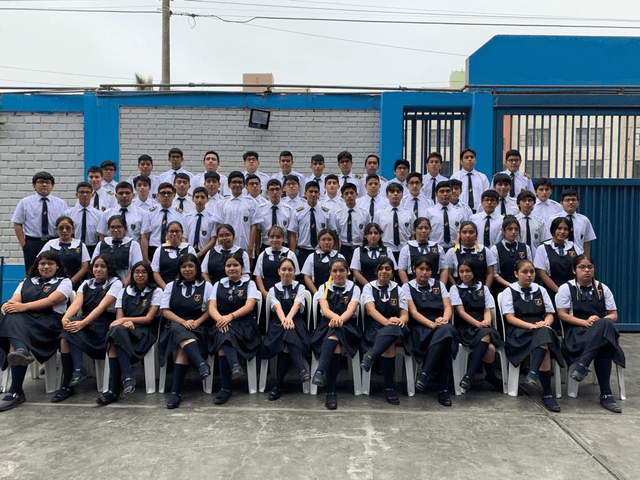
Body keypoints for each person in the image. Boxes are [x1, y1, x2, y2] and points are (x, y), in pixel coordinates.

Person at [0, 251, 73, 411]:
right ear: (37, 266)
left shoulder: (65, 282)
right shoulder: (27, 280)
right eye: (42, 263)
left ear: (57, 266)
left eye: (50, 263)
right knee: (8, 314)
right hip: (26, 322)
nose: (46, 266)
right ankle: (20, 351)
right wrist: (9, 305)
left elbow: (52, 300)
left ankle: (16, 391)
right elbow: (16, 299)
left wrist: (22, 307)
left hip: (49, 325)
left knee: (14, 328)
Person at [556, 255, 625, 413]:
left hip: (598, 331)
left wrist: (598, 322)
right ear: (574, 270)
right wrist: (585, 322)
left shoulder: (602, 288)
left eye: (590, 267)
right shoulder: (566, 288)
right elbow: (562, 314)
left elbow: (613, 315)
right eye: (582, 267)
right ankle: (606, 395)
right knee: (606, 338)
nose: (587, 270)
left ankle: (582, 366)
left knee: (606, 326)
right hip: (576, 334)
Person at [52, 254, 122, 402]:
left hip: (104, 324)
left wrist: (82, 324)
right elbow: (77, 304)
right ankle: (71, 378)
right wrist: (65, 318)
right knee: (66, 333)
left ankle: (76, 374)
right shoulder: (86, 284)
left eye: (103, 266)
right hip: (86, 322)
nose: (99, 269)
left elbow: (102, 307)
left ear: (109, 269)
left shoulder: (116, 283)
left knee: (73, 328)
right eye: (96, 266)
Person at [501, 259, 564, 412]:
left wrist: (545, 323)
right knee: (544, 341)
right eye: (524, 272)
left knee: (544, 337)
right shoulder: (509, 291)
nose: (529, 275)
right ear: (516, 274)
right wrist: (532, 326)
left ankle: (534, 374)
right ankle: (548, 393)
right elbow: (510, 318)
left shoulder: (540, 290)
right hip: (519, 331)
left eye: (532, 272)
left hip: (540, 328)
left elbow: (550, 314)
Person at [97, 261, 162, 405]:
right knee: (116, 333)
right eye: (136, 272)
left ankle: (116, 388)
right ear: (132, 275)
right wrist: (125, 323)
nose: (140, 274)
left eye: (144, 272)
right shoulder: (124, 291)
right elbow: (119, 317)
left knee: (115, 336)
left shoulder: (156, 291)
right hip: (125, 330)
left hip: (145, 332)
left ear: (149, 275)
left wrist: (126, 320)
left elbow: (149, 318)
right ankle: (125, 379)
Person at [158, 254, 213, 409]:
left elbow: (210, 310)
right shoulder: (170, 286)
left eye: (191, 266)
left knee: (183, 348)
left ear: (197, 269)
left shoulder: (206, 286)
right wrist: (183, 321)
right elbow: (165, 311)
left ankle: (175, 392)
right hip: (176, 325)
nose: (187, 269)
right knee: (177, 330)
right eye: (184, 267)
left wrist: (197, 322)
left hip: (199, 327)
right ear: (179, 269)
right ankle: (201, 364)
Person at [208, 253, 261, 405]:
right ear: (224, 268)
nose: (232, 268)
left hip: (244, 325)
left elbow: (249, 306)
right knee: (223, 334)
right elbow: (212, 307)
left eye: (235, 265)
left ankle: (225, 387)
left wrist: (229, 317)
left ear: (242, 267)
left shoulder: (249, 283)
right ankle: (235, 366)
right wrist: (220, 319)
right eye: (228, 265)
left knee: (223, 338)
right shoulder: (218, 284)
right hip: (222, 322)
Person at [403, 257, 457, 406]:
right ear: (414, 269)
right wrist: (431, 324)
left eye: (428, 269)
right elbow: (413, 312)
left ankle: (425, 374)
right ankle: (443, 390)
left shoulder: (439, 285)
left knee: (446, 332)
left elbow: (447, 307)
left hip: (440, 323)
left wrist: (444, 320)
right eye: (421, 269)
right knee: (446, 338)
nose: (424, 272)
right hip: (420, 326)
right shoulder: (407, 287)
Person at [311, 258, 362, 410]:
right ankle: (330, 391)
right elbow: (325, 309)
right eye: (334, 271)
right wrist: (335, 319)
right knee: (335, 342)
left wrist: (339, 320)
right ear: (330, 273)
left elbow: (351, 309)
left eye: (342, 270)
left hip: (348, 326)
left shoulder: (354, 288)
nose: (338, 274)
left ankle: (322, 376)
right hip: (326, 325)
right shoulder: (324, 287)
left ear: (347, 272)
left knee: (335, 335)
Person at [360, 258, 409, 405]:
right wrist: (388, 323)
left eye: (388, 269)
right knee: (390, 340)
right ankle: (389, 387)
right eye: (381, 268)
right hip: (374, 328)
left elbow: (404, 314)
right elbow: (370, 310)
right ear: (376, 272)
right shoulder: (368, 287)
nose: (384, 271)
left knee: (393, 332)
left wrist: (401, 321)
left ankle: (370, 358)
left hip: (395, 329)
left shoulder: (399, 289)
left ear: (392, 273)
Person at [260, 257, 311, 400]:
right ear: (279, 272)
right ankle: (301, 370)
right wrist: (285, 320)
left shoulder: (300, 287)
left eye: (290, 270)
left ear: (294, 273)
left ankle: (277, 385)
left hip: (297, 322)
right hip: (278, 323)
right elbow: (277, 307)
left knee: (287, 342)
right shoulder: (273, 289)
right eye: (284, 269)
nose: (287, 272)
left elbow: (296, 304)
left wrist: (289, 318)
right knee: (287, 334)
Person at [449, 260, 502, 391]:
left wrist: (487, 321)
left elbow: (487, 309)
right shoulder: (455, 288)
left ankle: (469, 376)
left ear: (474, 272)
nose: (465, 274)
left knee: (489, 344)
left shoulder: (483, 288)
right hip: (466, 326)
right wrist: (479, 324)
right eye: (461, 272)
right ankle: (483, 375)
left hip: (483, 325)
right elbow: (460, 312)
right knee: (487, 342)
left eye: (468, 271)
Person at [12, 171, 68, 273]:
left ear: (52, 186)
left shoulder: (61, 203)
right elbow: (17, 224)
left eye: (48, 182)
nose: (44, 184)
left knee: (55, 271)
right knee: (32, 272)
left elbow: (66, 224)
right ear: (34, 186)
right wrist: (24, 245)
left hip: (54, 242)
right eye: (40, 182)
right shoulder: (25, 202)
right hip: (33, 243)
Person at [211, 171, 260, 259]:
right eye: (234, 182)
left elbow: (254, 227)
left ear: (244, 185)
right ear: (229, 185)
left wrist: (250, 249)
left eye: (240, 182)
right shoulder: (221, 203)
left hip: (244, 247)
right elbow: (219, 226)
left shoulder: (251, 203)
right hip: (225, 248)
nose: (237, 185)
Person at [288, 181, 336, 268]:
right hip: (303, 251)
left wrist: (334, 253)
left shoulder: (327, 213)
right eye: (310, 191)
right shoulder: (297, 212)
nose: (313, 194)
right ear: (305, 194)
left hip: (321, 251)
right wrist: (292, 254)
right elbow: (292, 233)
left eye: (316, 192)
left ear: (319, 194)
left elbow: (333, 233)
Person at [534, 217, 583, 301]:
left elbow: (581, 269)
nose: (562, 232)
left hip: (572, 291)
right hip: (550, 291)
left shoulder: (575, 247)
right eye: (559, 228)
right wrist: (559, 292)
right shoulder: (543, 248)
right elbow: (542, 274)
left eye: (566, 229)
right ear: (553, 229)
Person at [40, 216, 90, 288]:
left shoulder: (80, 245)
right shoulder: (50, 244)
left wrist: (70, 282)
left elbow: (84, 267)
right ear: (57, 230)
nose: (64, 230)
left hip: (75, 284)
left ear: (73, 230)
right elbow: (40, 263)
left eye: (68, 228)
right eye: (61, 228)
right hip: (52, 284)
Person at [141, 182, 186, 263]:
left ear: (174, 195)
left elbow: (183, 237)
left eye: (169, 193)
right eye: (163, 193)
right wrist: (145, 258)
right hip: (153, 250)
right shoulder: (150, 213)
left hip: (173, 249)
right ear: (158, 196)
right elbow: (145, 236)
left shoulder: (180, 215)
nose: (166, 196)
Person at [92, 215, 143, 285]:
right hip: (103, 284)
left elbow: (135, 268)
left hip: (125, 283)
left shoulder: (133, 245)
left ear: (125, 228)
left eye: (119, 227)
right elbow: (94, 265)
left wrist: (122, 286)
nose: (115, 230)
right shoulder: (101, 244)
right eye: (112, 227)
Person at [542, 189, 596, 256]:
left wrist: (586, 258)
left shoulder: (584, 220)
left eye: (573, 200)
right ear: (561, 203)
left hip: (578, 256)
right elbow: (548, 239)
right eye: (567, 200)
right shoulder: (553, 219)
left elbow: (587, 242)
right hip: (559, 256)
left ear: (578, 202)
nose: (571, 202)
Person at [444, 221, 497, 287]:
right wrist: (457, 290)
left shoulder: (484, 250)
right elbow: (449, 274)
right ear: (459, 234)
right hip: (459, 287)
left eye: (471, 232)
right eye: (464, 232)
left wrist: (485, 290)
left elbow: (490, 273)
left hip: (481, 287)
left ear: (476, 234)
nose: (468, 235)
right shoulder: (452, 252)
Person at [373, 182, 415, 262]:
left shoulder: (409, 213)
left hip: (405, 251)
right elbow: (375, 233)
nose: (395, 194)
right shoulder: (379, 214)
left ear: (402, 195)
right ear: (387, 195)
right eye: (392, 192)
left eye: (398, 192)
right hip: (386, 251)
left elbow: (413, 233)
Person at [254, 225, 300, 299]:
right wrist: (263, 292)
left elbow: (294, 275)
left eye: (278, 237)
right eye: (272, 237)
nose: (275, 240)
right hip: (267, 292)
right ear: (268, 238)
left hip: (285, 292)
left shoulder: (290, 254)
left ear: (283, 239)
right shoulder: (263, 254)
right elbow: (258, 276)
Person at [490, 216, 533, 295]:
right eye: (510, 229)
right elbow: (495, 274)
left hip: (524, 286)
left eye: (516, 229)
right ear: (503, 231)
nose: (513, 232)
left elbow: (530, 269)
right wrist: (511, 286)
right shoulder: (495, 249)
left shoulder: (525, 247)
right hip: (503, 288)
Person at [398, 217, 447, 285]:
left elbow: (444, 269)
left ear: (430, 230)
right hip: (413, 283)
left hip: (433, 283)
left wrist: (441, 287)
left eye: (426, 228)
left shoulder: (438, 248)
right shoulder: (406, 249)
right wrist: (408, 288)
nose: (423, 231)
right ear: (414, 230)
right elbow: (402, 270)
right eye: (420, 228)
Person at [151, 221, 197, 289]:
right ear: (167, 233)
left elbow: (194, 270)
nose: (174, 234)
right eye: (171, 231)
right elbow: (155, 272)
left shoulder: (189, 249)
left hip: (185, 287)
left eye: (177, 231)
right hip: (164, 288)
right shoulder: (160, 249)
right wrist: (166, 288)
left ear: (182, 233)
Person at [351, 222, 397, 288]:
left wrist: (381, 285)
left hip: (384, 287)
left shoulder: (387, 251)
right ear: (365, 235)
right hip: (364, 287)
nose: (373, 235)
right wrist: (370, 287)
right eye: (370, 233)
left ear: (380, 235)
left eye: (376, 233)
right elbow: (356, 273)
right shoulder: (358, 251)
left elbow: (392, 271)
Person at [63, 181, 102, 257]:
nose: (84, 195)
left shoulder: (99, 214)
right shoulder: (68, 214)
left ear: (92, 195)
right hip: (73, 247)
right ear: (76, 195)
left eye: (87, 192)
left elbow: (100, 235)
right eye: (81, 192)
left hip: (92, 248)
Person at [334, 182, 369, 266]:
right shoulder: (338, 214)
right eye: (346, 193)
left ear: (356, 194)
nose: (349, 196)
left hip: (360, 248)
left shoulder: (364, 213)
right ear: (342, 197)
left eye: (352, 193)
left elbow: (367, 233)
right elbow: (337, 234)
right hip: (345, 249)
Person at [301, 229, 344, 295]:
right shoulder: (311, 256)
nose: (326, 242)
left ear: (334, 242)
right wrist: (317, 294)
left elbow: (344, 276)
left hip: (336, 292)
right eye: (323, 240)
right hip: (316, 291)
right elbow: (307, 277)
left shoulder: (340, 257)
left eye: (329, 239)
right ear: (319, 242)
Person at [425, 181, 464, 251]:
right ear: (436, 194)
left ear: (452, 193)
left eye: (448, 191)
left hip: (455, 249)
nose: (445, 194)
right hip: (435, 249)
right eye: (442, 191)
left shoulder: (459, 212)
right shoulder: (429, 212)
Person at [449, 148, 490, 214]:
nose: (470, 159)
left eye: (472, 157)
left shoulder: (482, 177)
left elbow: (487, 194)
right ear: (461, 161)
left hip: (479, 212)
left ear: (475, 160)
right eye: (466, 157)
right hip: (460, 211)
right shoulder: (455, 177)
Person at [258, 179, 293, 251]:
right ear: (267, 192)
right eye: (272, 190)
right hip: (266, 245)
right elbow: (258, 232)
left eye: (277, 189)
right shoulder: (260, 209)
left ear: (282, 191)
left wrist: (291, 250)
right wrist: (258, 250)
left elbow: (290, 233)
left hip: (283, 246)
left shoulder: (288, 210)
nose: (275, 192)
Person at [184, 187, 216, 258]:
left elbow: (213, 239)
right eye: (197, 197)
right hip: (189, 253)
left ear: (207, 199)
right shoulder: (187, 217)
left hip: (205, 254)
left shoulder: (212, 218)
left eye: (202, 197)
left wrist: (200, 253)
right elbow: (184, 237)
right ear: (192, 198)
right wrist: (189, 251)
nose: (199, 200)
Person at [515, 190, 545, 255]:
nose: (527, 203)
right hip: (518, 255)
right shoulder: (514, 221)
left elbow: (543, 241)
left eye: (530, 200)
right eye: (524, 200)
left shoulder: (540, 222)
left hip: (536, 255)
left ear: (534, 203)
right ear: (518, 203)